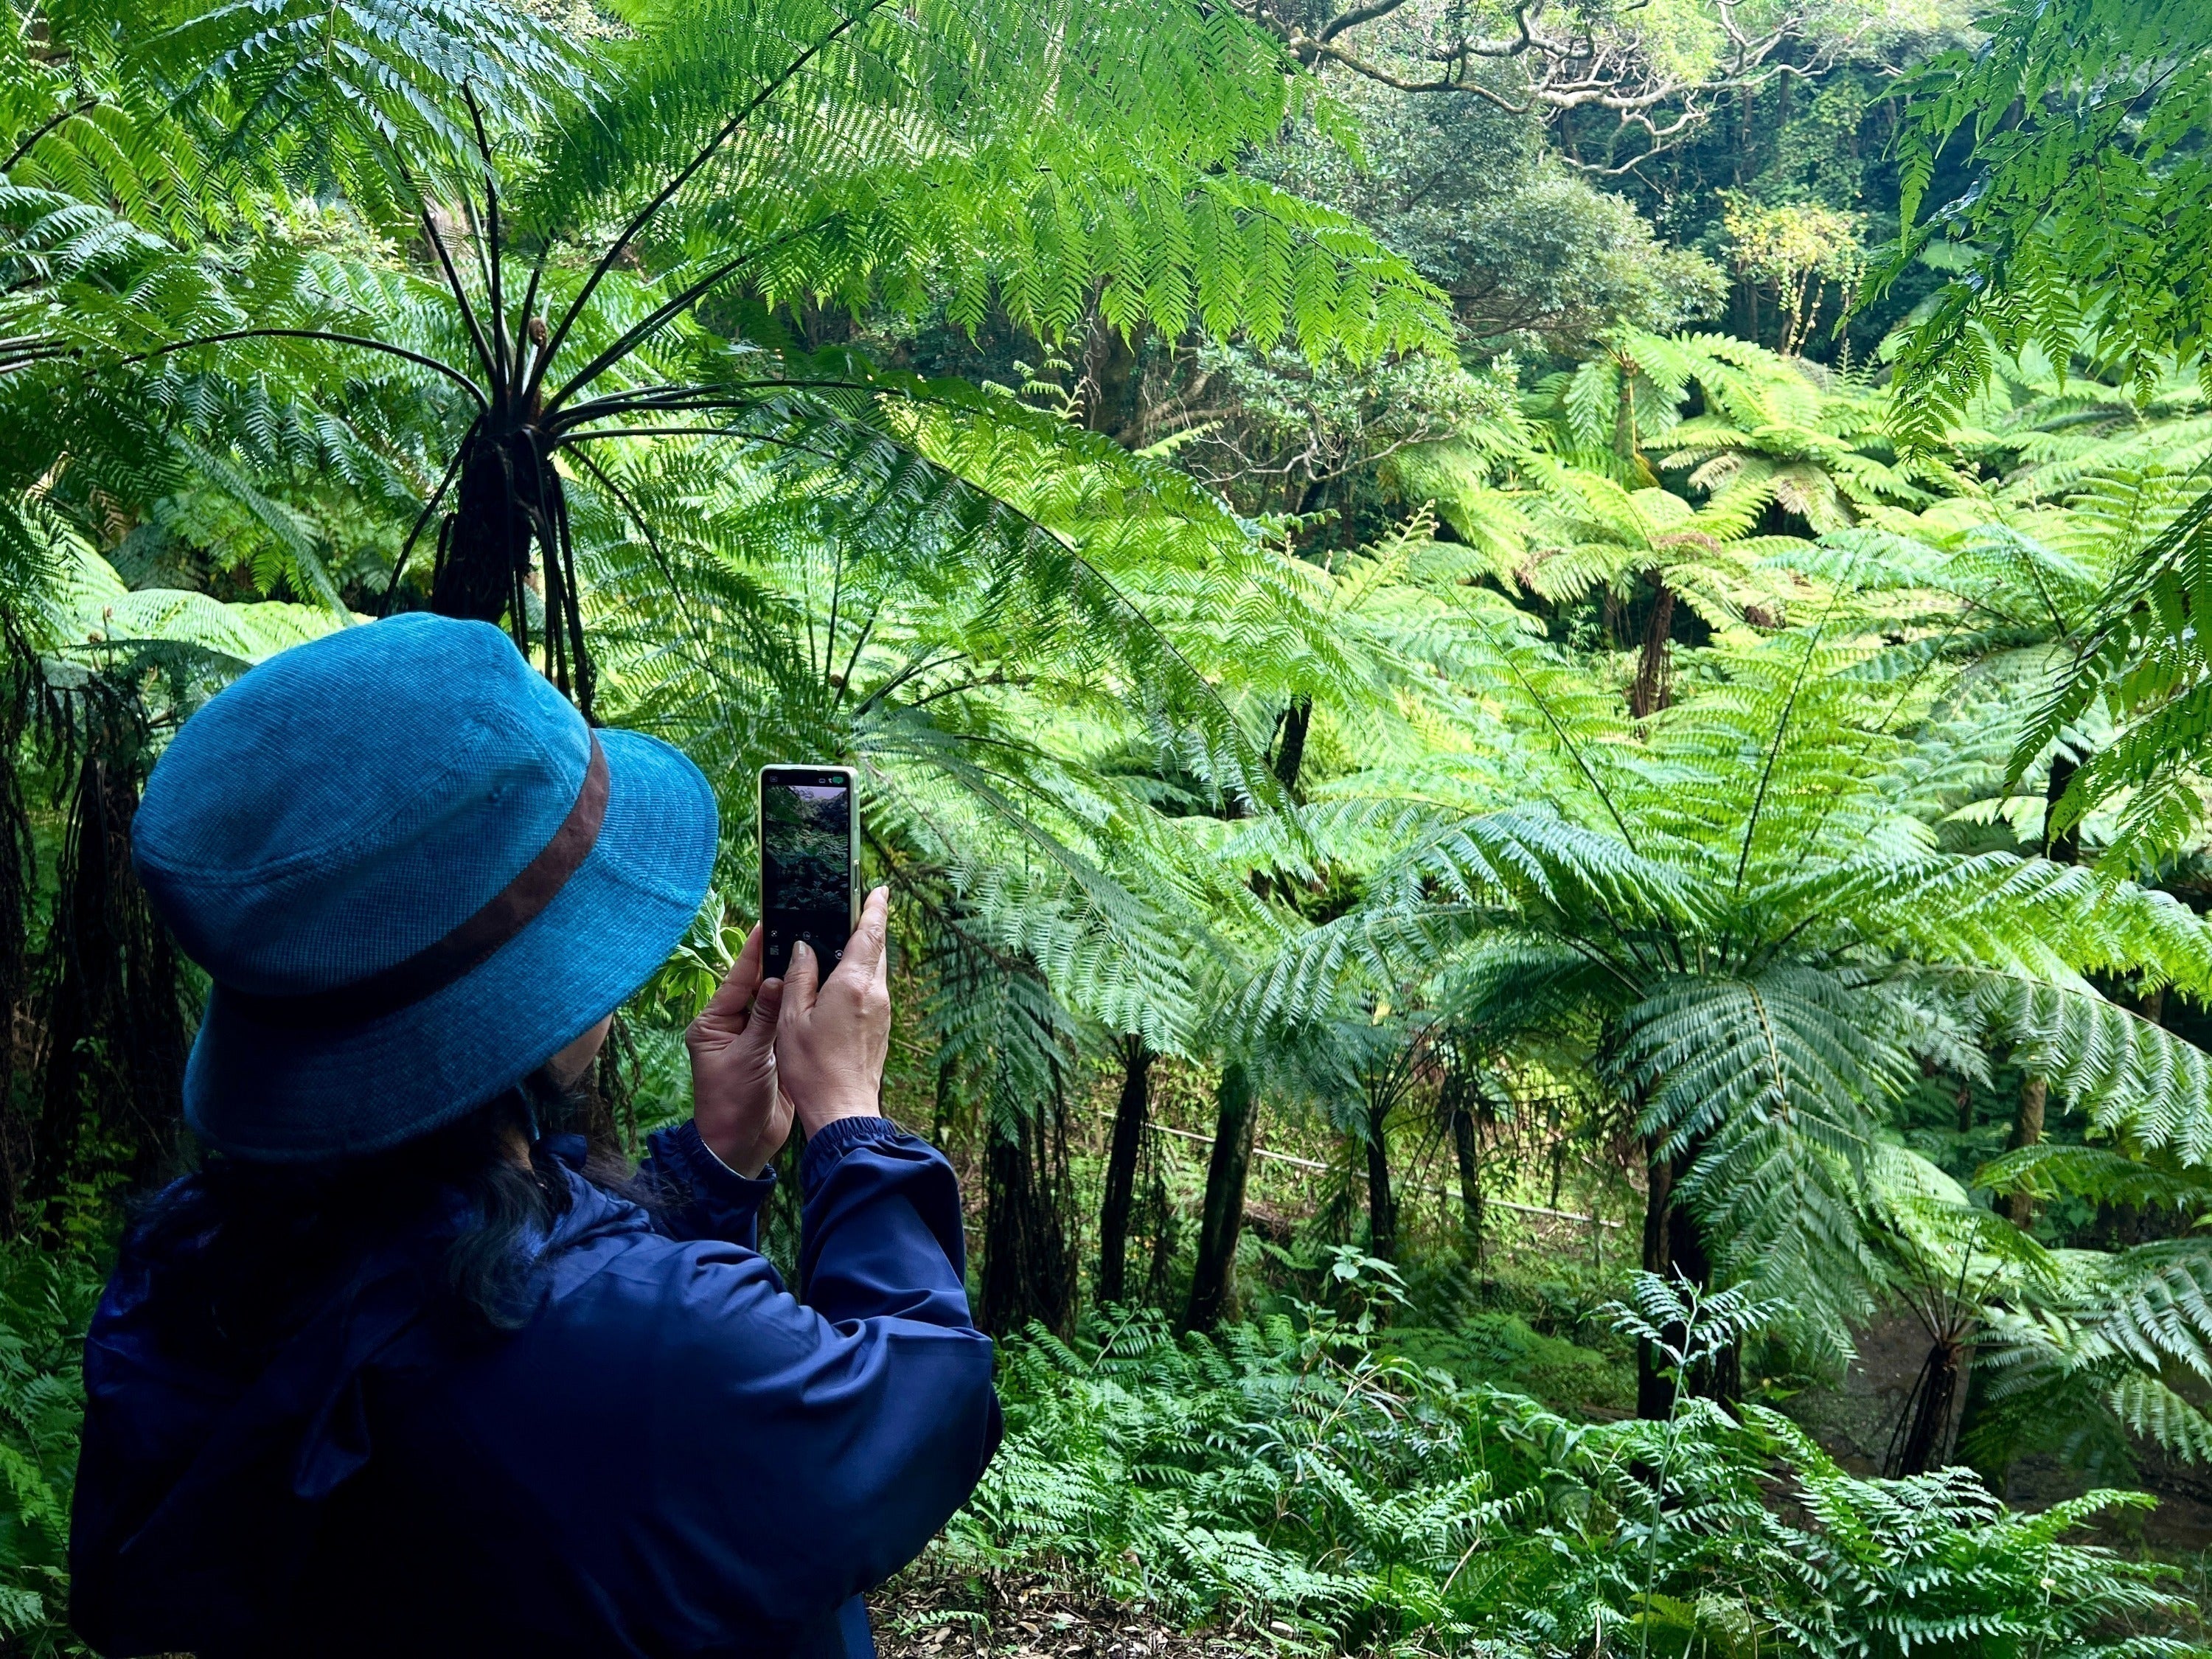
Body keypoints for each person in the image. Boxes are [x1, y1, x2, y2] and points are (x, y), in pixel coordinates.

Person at [67, 614, 1000, 1659]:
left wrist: (712, 1168)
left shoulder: (190, 1267)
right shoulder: (646, 1346)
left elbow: (536, 1341)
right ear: (527, 1001)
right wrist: (851, 1124)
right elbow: (918, 1406)